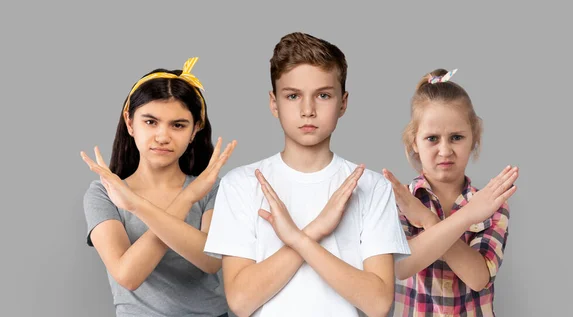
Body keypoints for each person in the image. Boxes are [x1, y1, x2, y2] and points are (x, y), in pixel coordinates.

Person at [203, 32, 412, 317]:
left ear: (343, 103)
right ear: (274, 102)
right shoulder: (239, 185)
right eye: (293, 96)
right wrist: (316, 229)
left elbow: (378, 304)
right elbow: (240, 301)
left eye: (323, 95)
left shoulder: (371, 186)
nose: (308, 110)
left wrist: (299, 238)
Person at [80, 57, 236, 317]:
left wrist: (138, 205)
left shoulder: (210, 188)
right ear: (130, 123)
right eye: (150, 122)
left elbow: (211, 261)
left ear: (194, 130)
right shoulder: (104, 194)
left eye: (178, 125)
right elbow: (128, 275)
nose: (163, 136)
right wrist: (185, 200)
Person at [383, 69, 518, 316]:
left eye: (456, 137)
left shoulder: (491, 203)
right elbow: (400, 267)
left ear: (473, 138)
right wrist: (466, 217)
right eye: (432, 138)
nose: (445, 151)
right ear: (414, 142)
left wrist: (427, 219)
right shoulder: (400, 199)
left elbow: (478, 278)